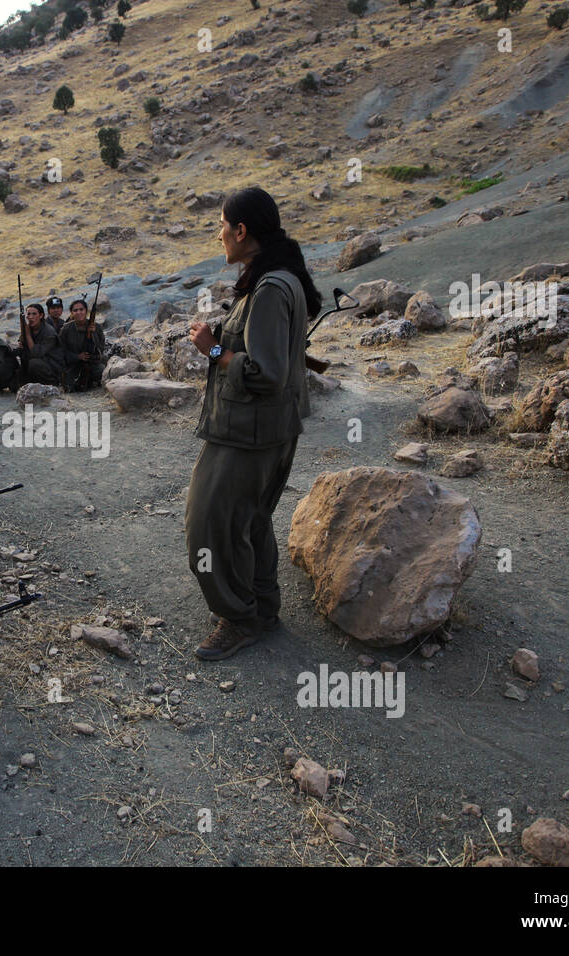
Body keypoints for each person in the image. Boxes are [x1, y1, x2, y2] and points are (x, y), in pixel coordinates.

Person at [184, 186, 318, 661]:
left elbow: (266, 374)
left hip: (249, 432)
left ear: (242, 231)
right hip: (267, 429)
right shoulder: (277, 280)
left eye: (222, 225)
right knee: (251, 520)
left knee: (207, 526)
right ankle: (261, 609)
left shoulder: (269, 289)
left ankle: (238, 618)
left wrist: (213, 350)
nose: (219, 234)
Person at [58, 299, 105, 391]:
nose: (78, 312)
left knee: (102, 371)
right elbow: (60, 351)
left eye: (81, 309)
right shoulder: (66, 329)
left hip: (92, 364)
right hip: (73, 365)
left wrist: (94, 334)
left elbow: (101, 348)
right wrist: (77, 356)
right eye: (75, 310)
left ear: (86, 311)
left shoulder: (97, 327)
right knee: (70, 387)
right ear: (71, 313)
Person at [20, 303, 64, 386]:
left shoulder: (49, 332)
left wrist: (28, 335)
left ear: (41, 316)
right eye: (28, 314)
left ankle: (52, 384)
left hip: (52, 366)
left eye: (34, 314)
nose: (30, 317)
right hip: (41, 363)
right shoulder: (30, 328)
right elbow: (22, 343)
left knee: (34, 363)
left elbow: (36, 354)